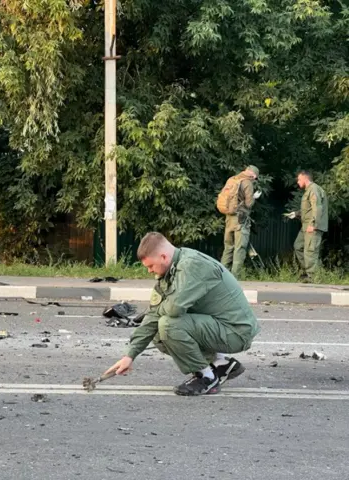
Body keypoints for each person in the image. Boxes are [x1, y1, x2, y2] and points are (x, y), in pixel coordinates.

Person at [104, 232, 260, 396]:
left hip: (236, 331)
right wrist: (129, 355)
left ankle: (206, 378)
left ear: (163, 257)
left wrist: (158, 310)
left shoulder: (192, 266)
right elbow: (152, 315)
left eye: (151, 266)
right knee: (157, 329)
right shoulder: (170, 271)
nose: (149, 271)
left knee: (169, 324)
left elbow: (173, 309)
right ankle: (220, 363)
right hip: (218, 326)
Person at [284, 170, 328, 282]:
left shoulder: (313, 189)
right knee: (298, 246)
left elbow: (317, 208)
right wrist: (296, 214)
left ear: (305, 178)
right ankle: (307, 272)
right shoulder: (308, 190)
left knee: (310, 251)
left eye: (299, 179)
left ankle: (313, 278)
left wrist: (313, 225)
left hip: (312, 226)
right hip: (305, 226)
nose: (298, 182)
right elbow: (308, 208)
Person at [218, 165, 261, 278]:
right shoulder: (247, 183)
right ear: (253, 174)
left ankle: (222, 276)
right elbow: (249, 204)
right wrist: (254, 197)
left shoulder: (232, 179)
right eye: (255, 178)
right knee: (239, 248)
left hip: (229, 218)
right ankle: (234, 278)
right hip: (240, 220)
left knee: (228, 247)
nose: (254, 180)